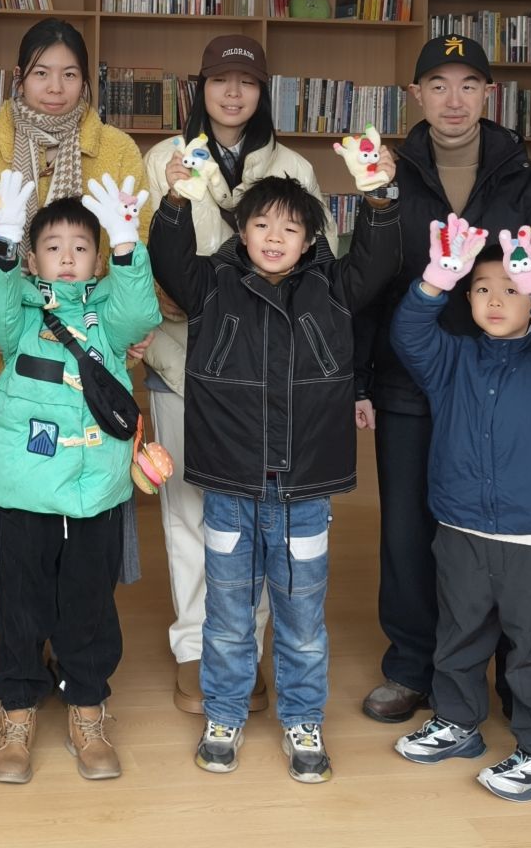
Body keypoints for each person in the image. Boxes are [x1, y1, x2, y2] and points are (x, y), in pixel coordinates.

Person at [361, 34, 531, 726]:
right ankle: (413, 666)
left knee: (501, 532)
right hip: (411, 377)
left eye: (467, 85)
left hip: (511, 384)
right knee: (408, 532)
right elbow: (366, 280)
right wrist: (358, 378)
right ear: (415, 96)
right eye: (437, 85)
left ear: (489, 93)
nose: (452, 100)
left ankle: (516, 675)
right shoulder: (387, 176)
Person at [150, 175, 391, 784]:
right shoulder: (212, 283)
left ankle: (303, 720)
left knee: (302, 617)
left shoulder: (333, 286)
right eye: (261, 225)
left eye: (290, 227)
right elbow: (169, 258)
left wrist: (378, 201)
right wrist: (174, 202)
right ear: (241, 231)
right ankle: (224, 715)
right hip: (230, 484)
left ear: (310, 238)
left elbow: (378, 259)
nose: (274, 237)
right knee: (228, 614)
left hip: (304, 488)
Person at [138, 33, 332, 715]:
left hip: (266, 376)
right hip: (179, 359)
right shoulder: (163, 158)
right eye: (219, 80)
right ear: (200, 87)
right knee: (191, 514)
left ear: (263, 92)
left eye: (246, 82)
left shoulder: (294, 167)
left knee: (264, 518)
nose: (232, 93)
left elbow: (321, 268)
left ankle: (243, 652)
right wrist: (151, 294)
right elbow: (130, 249)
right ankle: (199, 649)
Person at [389, 220, 531, 803]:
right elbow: (408, 335)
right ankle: (458, 722)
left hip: (527, 534)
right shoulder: (452, 360)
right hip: (458, 524)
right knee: (458, 631)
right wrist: (434, 282)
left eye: (512, 289)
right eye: (483, 288)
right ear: (467, 297)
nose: (495, 299)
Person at [0, 168, 161, 785]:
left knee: (90, 603)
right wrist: (1, 240)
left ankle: (87, 707)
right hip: (26, 491)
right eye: (53, 247)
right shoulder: (19, 315)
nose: (69, 258)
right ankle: (17, 710)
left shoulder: (110, 316)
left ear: (97, 260)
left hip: (97, 489)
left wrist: (128, 246)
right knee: (20, 602)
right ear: (33, 259)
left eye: (82, 247)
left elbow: (141, 311)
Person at [0, 18, 153, 602]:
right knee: (20, 488)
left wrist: (124, 325)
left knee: (96, 483)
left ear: (87, 82)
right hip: (14, 345)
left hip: (96, 344)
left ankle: (80, 624)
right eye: (42, 73)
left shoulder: (116, 148)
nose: (56, 87)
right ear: (19, 78)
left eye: (69, 75)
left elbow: (134, 239)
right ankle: (25, 622)